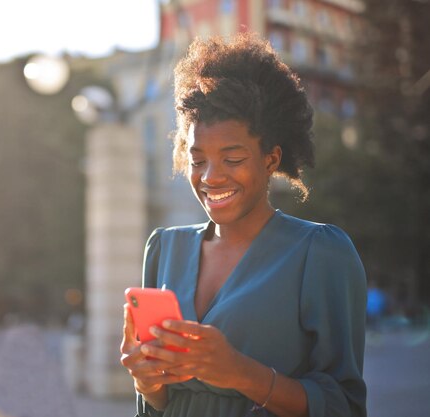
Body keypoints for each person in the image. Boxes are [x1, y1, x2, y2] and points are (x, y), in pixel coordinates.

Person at [120, 33, 367, 417]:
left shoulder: (319, 253)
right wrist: (147, 383)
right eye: (198, 160)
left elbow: (344, 407)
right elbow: (162, 404)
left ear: (271, 159)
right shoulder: (164, 249)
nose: (210, 177)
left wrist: (240, 372)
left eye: (232, 159)